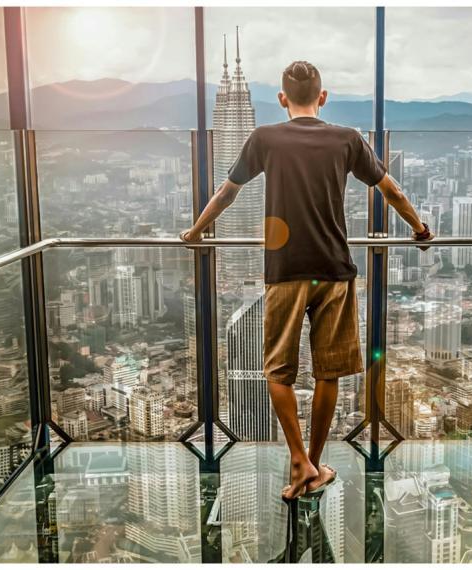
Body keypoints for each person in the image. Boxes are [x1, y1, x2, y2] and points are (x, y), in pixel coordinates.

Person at [180, 60, 434, 500]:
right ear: (323, 97)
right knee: (328, 372)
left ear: (282, 99)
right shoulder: (347, 138)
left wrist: (197, 231)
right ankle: (313, 466)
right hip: (334, 271)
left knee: (277, 370)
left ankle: (298, 458)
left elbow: (227, 191)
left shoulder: (265, 139)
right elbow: (389, 188)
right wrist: (419, 228)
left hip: (284, 271)